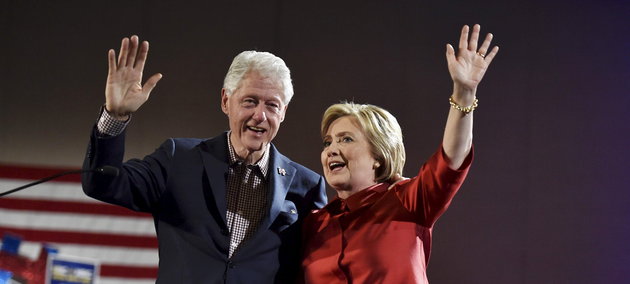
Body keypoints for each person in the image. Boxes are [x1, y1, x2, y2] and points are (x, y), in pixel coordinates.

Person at [81, 35, 327, 283]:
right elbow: (102, 184)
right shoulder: (178, 159)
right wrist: (115, 116)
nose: (260, 115)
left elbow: (318, 268)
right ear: (225, 101)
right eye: (250, 101)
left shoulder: (306, 187)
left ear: (283, 112)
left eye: (272, 105)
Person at [301, 24, 499, 283]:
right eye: (327, 142)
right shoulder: (314, 225)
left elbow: (451, 160)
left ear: (378, 156)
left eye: (346, 139)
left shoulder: (407, 201)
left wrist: (464, 95)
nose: (331, 150)